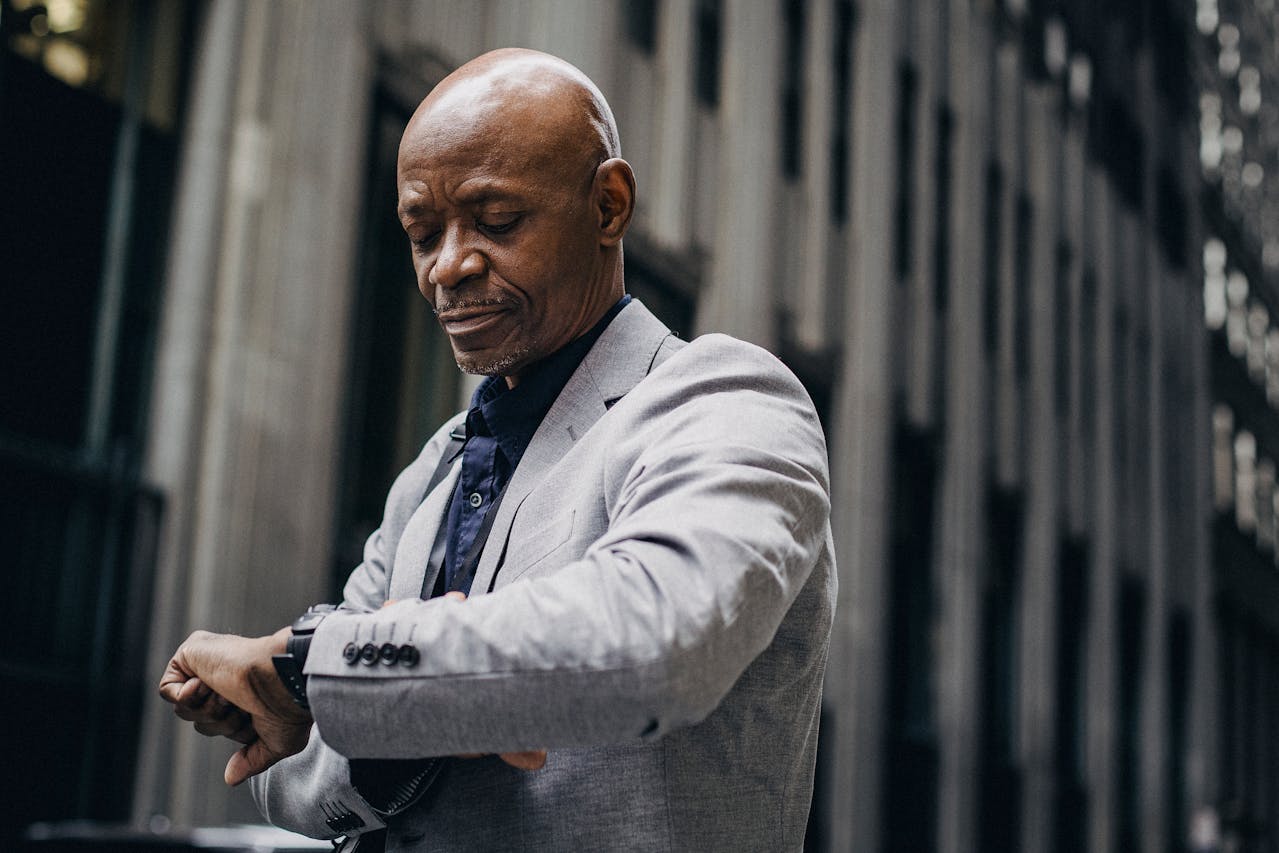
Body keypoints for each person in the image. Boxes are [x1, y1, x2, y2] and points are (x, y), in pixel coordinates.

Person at [159, 48, 835, 852]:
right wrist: (391, 703)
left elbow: (659, 641)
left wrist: (313, 668)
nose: (448, 265)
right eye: (421, 233)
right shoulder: (432, 472)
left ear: (608, 205)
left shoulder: (724, 395)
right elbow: (292, 778)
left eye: (496, 220)